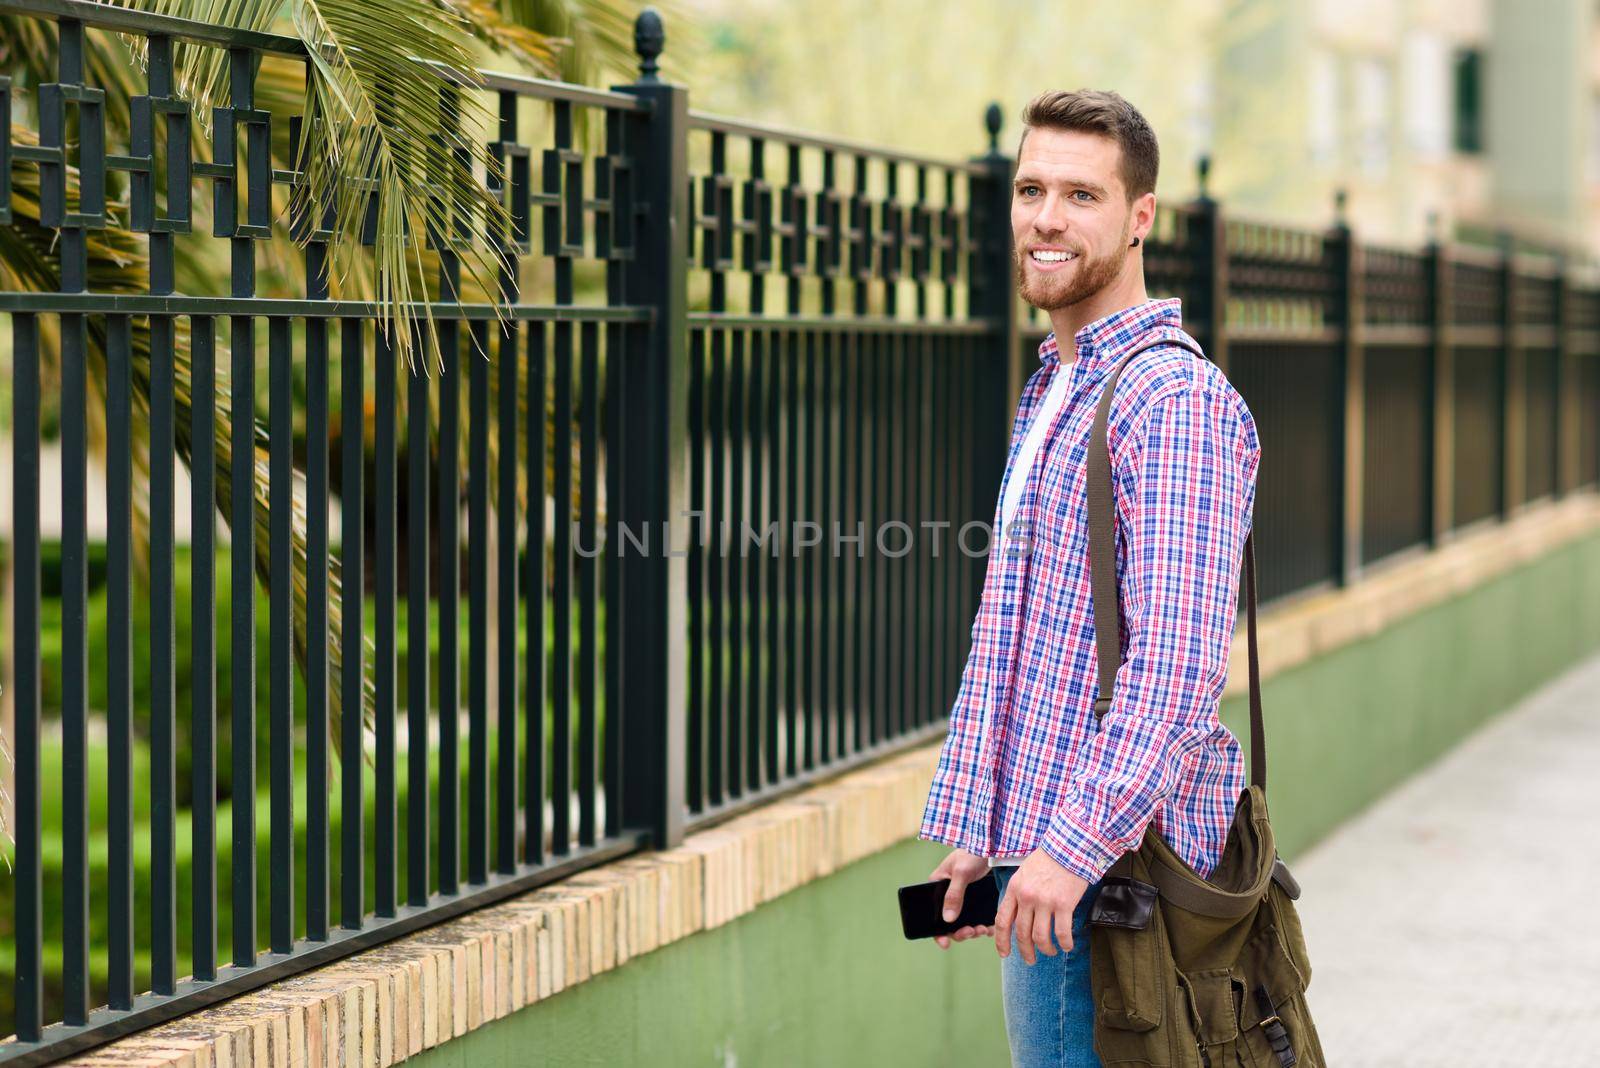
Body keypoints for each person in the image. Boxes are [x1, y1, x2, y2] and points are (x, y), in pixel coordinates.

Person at [916, 88, 1261, 1068]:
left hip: (1114, 892)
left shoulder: (1173, 401)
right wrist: (993, 837)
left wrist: (1064, 849)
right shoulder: (1057, 387)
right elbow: (1039, 642)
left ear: (1139, 217)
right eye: (1031, 189)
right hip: (1047, 869)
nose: (1047, 217)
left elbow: (1175, 670)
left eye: (1081, 193)